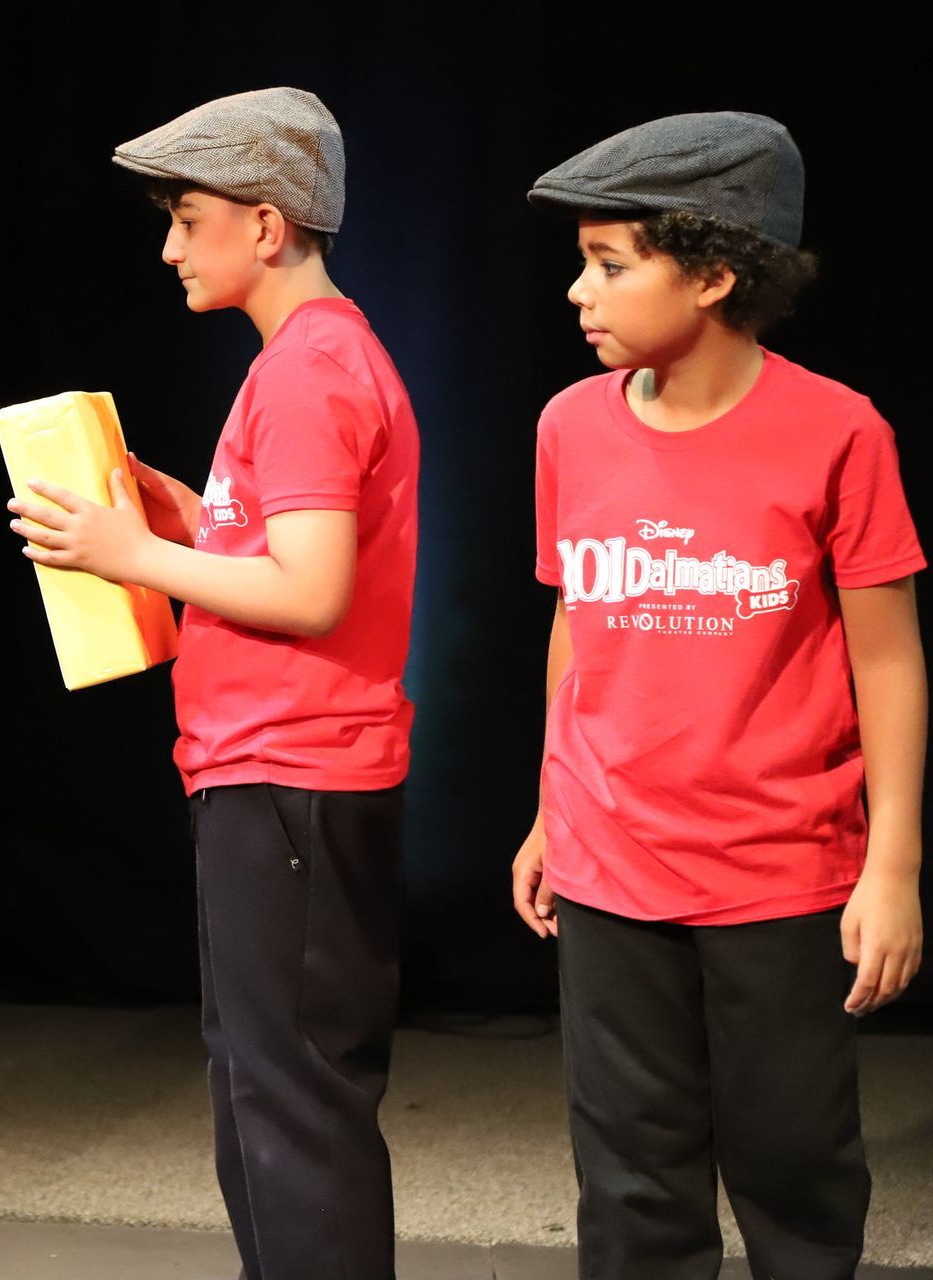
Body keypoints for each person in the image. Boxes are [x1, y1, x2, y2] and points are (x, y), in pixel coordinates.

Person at [6, 88, 420, 1280]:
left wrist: (132, 555)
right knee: (263, 1091)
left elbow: (312, 592)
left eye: (190, 218)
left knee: (290, 1102)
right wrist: (186, 519)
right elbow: (282, 554)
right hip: (271, 769)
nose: (172, 245)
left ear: (269, 224)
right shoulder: (307, 360)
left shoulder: (309, 369)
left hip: (294, 767)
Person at [513, 112, 926, 1278]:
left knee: (793, 1159)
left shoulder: (838, 432)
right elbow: (575, 622)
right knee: (631, 1173)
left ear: (712, 272)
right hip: (610, 859)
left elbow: (887, 657)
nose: (578, 292)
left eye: (610, 263)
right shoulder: (569, 426)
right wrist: (552, 806)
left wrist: (890, 865)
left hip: (776, 867)